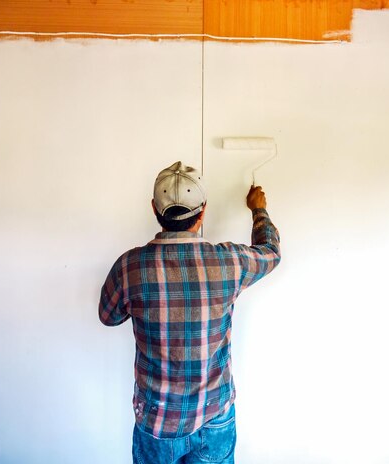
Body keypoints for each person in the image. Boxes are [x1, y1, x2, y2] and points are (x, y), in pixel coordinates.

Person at [99, 161, 281, 464]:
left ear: (155, 209)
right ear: (203, 210)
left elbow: (108, 316)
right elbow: (271, 252)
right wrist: (258, 209)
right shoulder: (228, 263)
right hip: (214, 417)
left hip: (157, 420)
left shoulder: (130, 267)